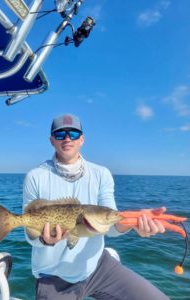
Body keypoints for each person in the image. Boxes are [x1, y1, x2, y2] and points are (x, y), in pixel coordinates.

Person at [23, 113, 170, 300]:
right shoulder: (35, 176)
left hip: (98, 267)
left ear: (82, 139)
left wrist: (133, 221)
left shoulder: (101, 174)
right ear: (52, 140)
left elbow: (110, 225)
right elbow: (30, 233)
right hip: (53, 275)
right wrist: (44, 240)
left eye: (73, 134)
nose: (67, 138)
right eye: (60, 134)